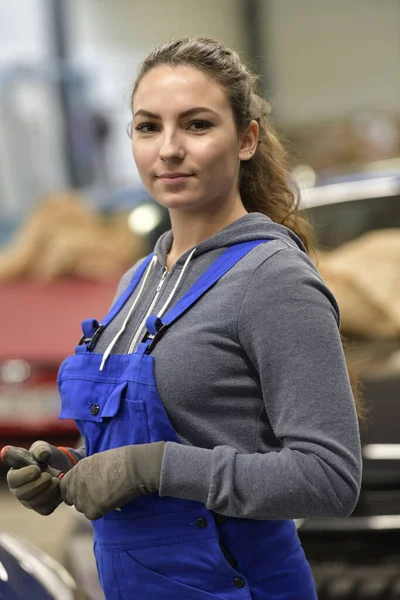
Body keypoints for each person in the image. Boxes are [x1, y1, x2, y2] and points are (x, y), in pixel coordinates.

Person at [5, 37, 362, 599]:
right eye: (148, 127)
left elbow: (330, 479)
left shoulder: (273, 278)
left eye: (196, 125)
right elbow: (172, 429)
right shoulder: (138, 280)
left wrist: (153, 467)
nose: (168, 149)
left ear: (246, 140)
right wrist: (73, 468)